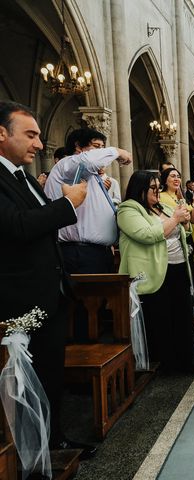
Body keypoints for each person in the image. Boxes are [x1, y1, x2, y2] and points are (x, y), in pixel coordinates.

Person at [0, 101, 96, 459]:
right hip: (18, 298)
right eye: (31, 134)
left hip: (48, 295)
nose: (39, 144)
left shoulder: (21, 176)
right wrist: (67, 205)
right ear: (2, 134)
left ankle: (53, 439)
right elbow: (17, 227)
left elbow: (38, 222)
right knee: (25, 381)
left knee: (49, 374)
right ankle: (28, 451)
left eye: (39, 136)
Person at [117, 170, 194, 375]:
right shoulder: (128, 210)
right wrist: (175, 219)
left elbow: (186, 230)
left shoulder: (162, 207)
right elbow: (147, 235)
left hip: (178, 266)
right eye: (153, 188)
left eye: (158, 187)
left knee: (182, 316)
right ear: (140, 189)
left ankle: (188, 360)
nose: (158, 191)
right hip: (154, 270)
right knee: (162, 317)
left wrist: (183, 222)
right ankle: (168, 364)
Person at [44, 127, 132, 274]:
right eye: (96, 147)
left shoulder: (92, 175)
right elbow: (88, 160)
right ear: (78, 147)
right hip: (80, 252)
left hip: (98, 252)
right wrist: (118, 151)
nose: (100, 153)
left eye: (102, 148)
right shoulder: (66, 165)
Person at [159, 167, 194, 260]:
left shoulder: (181, 198)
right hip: (170, 240)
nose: (176, 179)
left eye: (178, 176)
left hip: (185, 237)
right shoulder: (160, 196)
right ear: (165, 180)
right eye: (173, 176)